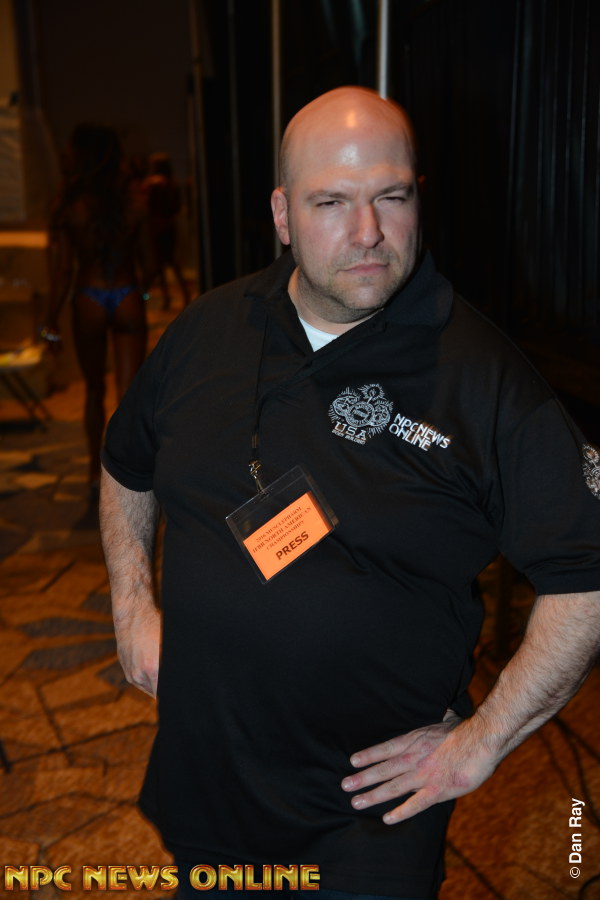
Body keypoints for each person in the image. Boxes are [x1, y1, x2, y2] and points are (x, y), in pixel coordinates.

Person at [99, 87, 600, 899]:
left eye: (391, 197)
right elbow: (127, 463)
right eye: (331, 202)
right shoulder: (207, 331)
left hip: (362, 822)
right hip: (208, 781)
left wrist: (479, 743)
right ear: (282, 214)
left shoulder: (483, 378)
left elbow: (588, 573)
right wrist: (131, 603)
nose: (368, 233)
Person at [43, 123, 151, 499]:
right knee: (128, 396)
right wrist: (144, 293)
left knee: (93, 389)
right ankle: (124, 476)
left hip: (87, 295)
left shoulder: (69, 203)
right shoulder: (132, 200)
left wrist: (49, 322)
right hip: (126, 294)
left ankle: (93, 469)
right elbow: (149, 262)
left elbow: (62, 270)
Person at [144, 152, 190, 310]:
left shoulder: (153, 184)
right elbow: (176, 207)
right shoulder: (173, 183)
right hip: (170, 226)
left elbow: (149, 206)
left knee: (161, 263)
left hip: (157, 227)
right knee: (170, 261)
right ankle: (179, 294)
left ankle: (168, 296)